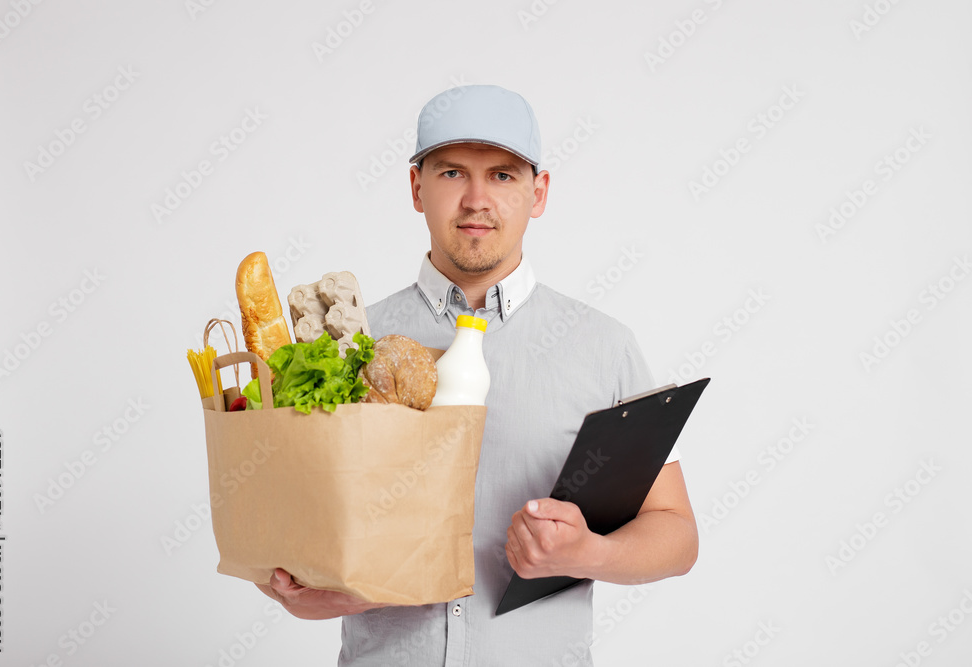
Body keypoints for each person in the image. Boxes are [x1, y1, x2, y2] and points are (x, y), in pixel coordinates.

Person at [257, 84, 698, 665]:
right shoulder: (348, 344)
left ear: (538, 193)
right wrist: (293, 587)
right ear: (417, 188)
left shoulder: (603, 347)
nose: (475, 199)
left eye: (503, 176)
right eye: (451, 173)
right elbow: (283, 521)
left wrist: (588, 554)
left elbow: (675, 533)